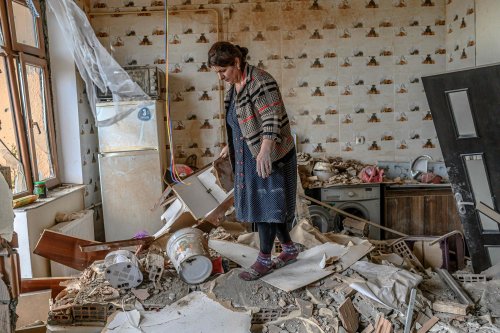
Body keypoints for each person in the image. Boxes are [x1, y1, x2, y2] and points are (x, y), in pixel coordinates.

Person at [208, 41, 298, 281]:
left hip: (270, 154)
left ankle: (264, 260)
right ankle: (289, 249)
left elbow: (271, 117)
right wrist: (231, 145)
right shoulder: (236, 87)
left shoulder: (260, 81)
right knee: (264, 206)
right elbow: (239, 121)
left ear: (236, 62)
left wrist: (266, 150)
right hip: (248, 154)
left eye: (223, 71)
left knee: (267, 206)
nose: (221, 77)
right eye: (217, 73)